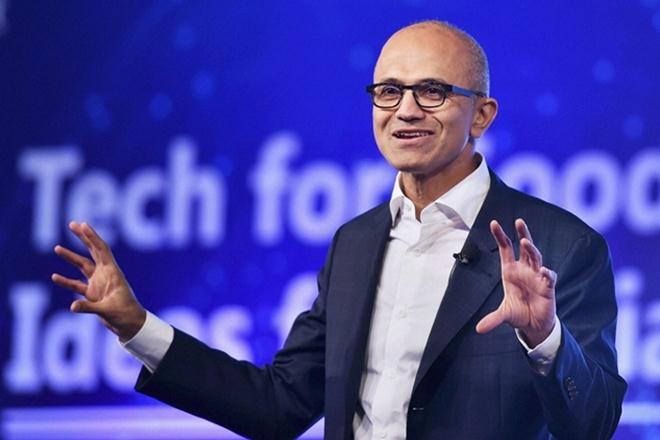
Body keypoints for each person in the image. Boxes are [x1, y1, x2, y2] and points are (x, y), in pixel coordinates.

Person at [52, 20, 626, 439]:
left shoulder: (560, 246)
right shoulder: (355, 244)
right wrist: (137, 327)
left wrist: (545, 340)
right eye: (389, 91)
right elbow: (278, 405)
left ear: (482, 114)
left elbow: (594, 424)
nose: (405, 110)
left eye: (432, 91)